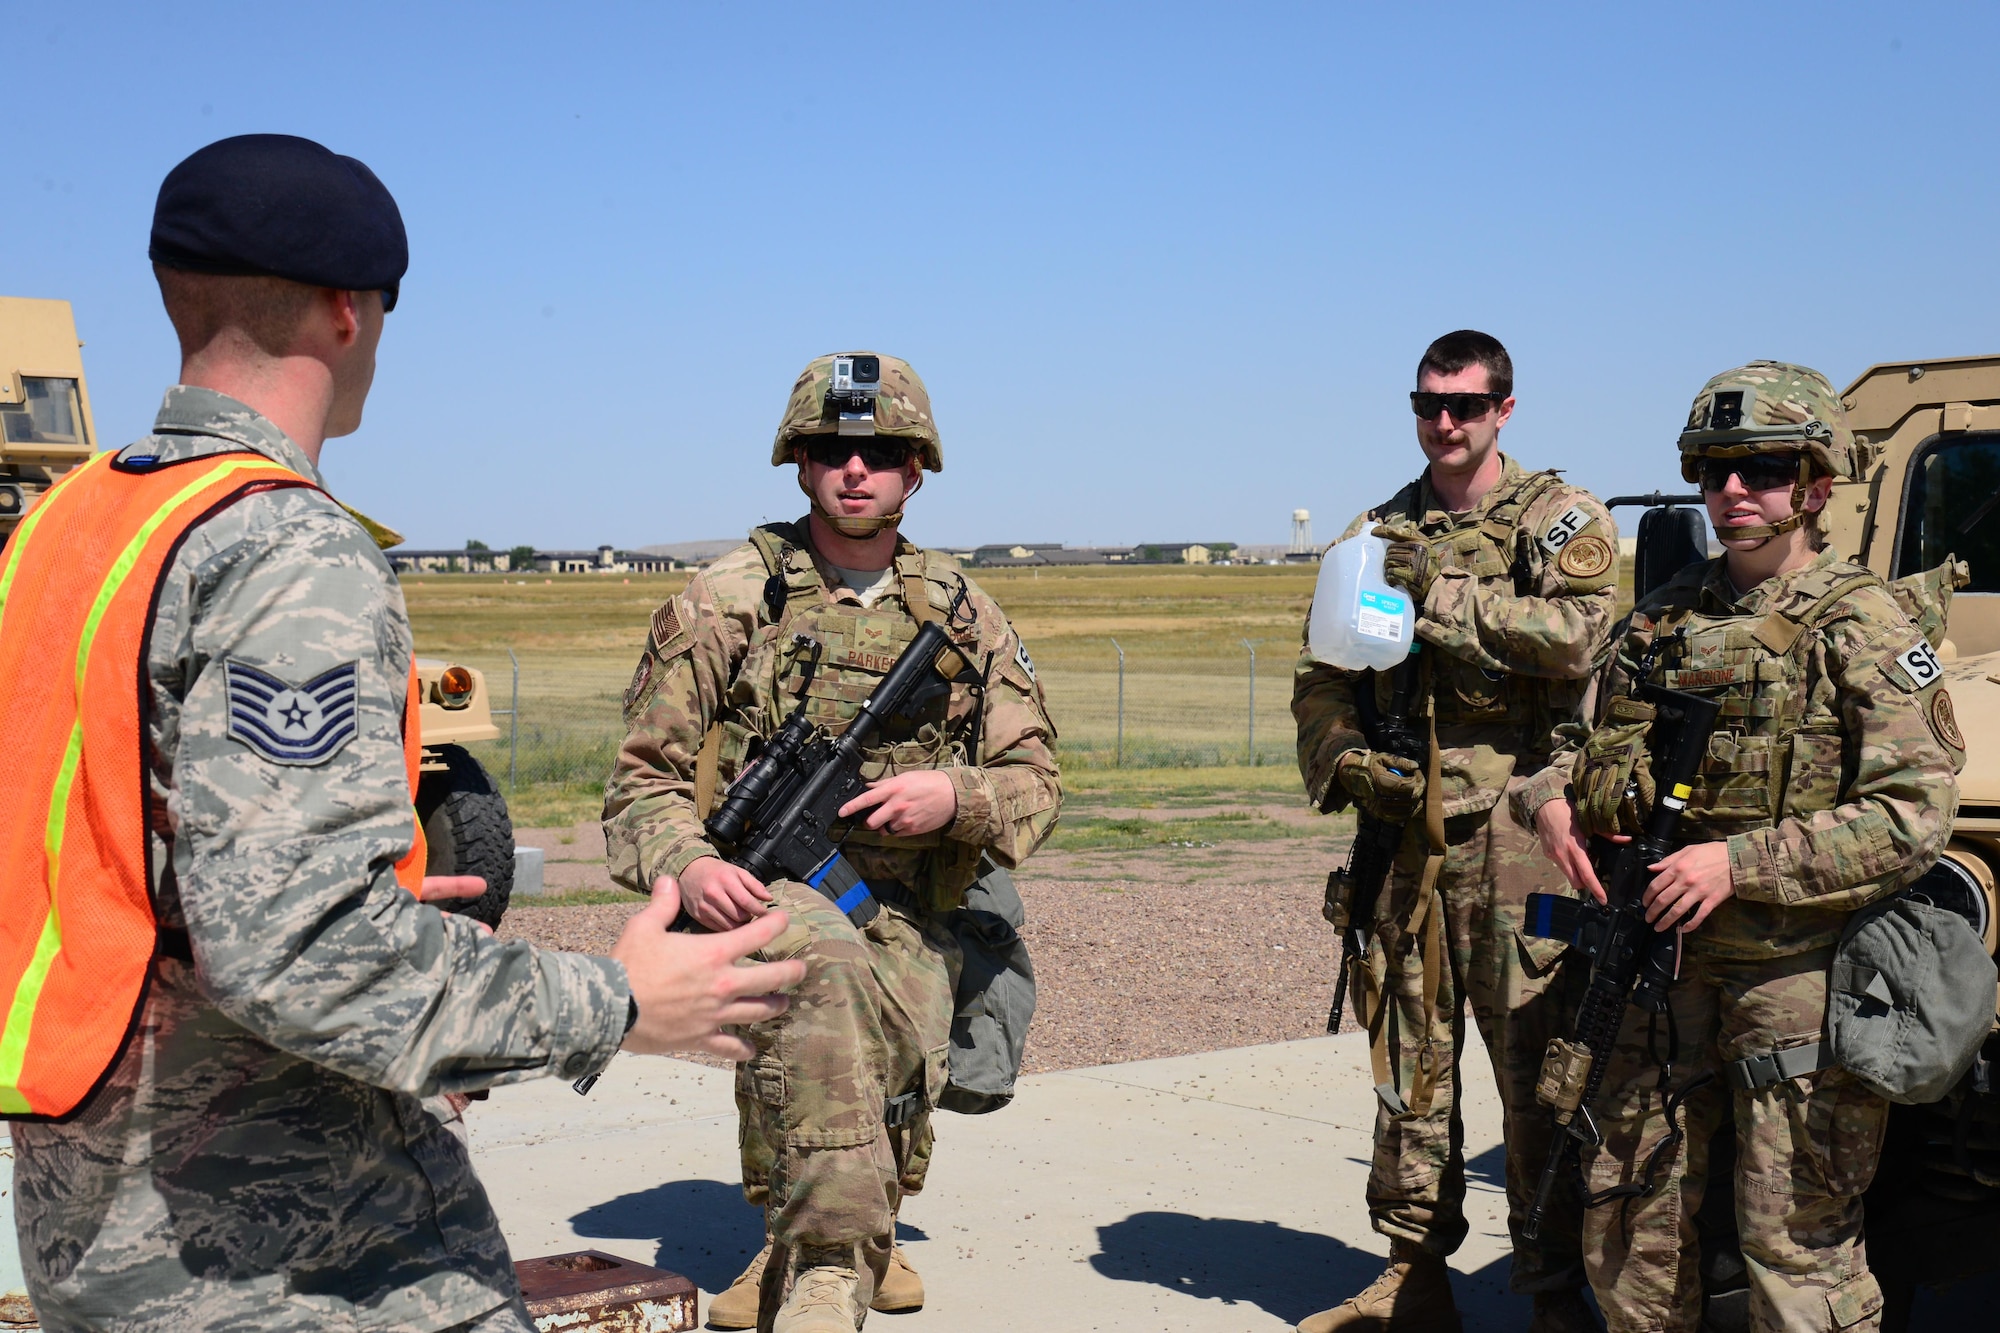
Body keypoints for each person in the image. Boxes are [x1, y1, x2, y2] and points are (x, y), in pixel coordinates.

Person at [0, 134, 804, 1333]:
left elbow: (131, 861)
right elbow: (300, 952)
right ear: (348, 312)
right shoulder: (282, 549)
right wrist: (616, 999)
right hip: (285, 1237)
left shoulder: (71, 523)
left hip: (88, 1206)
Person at [603, 351, 1060, 1332]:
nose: (858, 470)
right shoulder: (731, 597)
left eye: (883, 452)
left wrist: (955, 795)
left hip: (923, 903)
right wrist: (689, 861)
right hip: (771, 894)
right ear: (800, 462)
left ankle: (847, 1231)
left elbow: (1036, 783)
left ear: (917, 469)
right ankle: (822, 1272)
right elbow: (639, 781)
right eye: (833, 450)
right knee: (824, 973)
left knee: (893, 1025)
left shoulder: (962, 614)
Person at [1521, 362, 1962, 1333]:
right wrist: (1551, 801)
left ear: (1814, 482)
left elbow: (1910, 816)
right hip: (1654, 978)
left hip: (1791, 982)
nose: (1731, 491)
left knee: (1794, 1251)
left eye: (1759, 469)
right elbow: (1569, 740)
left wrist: (1735, 863)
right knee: (1630, 1234)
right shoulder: (1661, 618)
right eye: (1713, 469)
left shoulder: (1861, 625)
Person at [1293, 330, 1615, 1333]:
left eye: (1464, 406)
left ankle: (1552, 1290)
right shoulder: (1372, 530)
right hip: (1403, 834)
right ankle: (1411, 1272)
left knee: (1536, 1072)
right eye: (1427, 404)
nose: (1444, 423)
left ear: (1502, 411)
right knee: (1406, 1066)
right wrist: (1343, 756)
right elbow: (1320, 675)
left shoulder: (1559, 520)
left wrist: (1437, 596)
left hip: (1518, 831)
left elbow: (1578, 638)